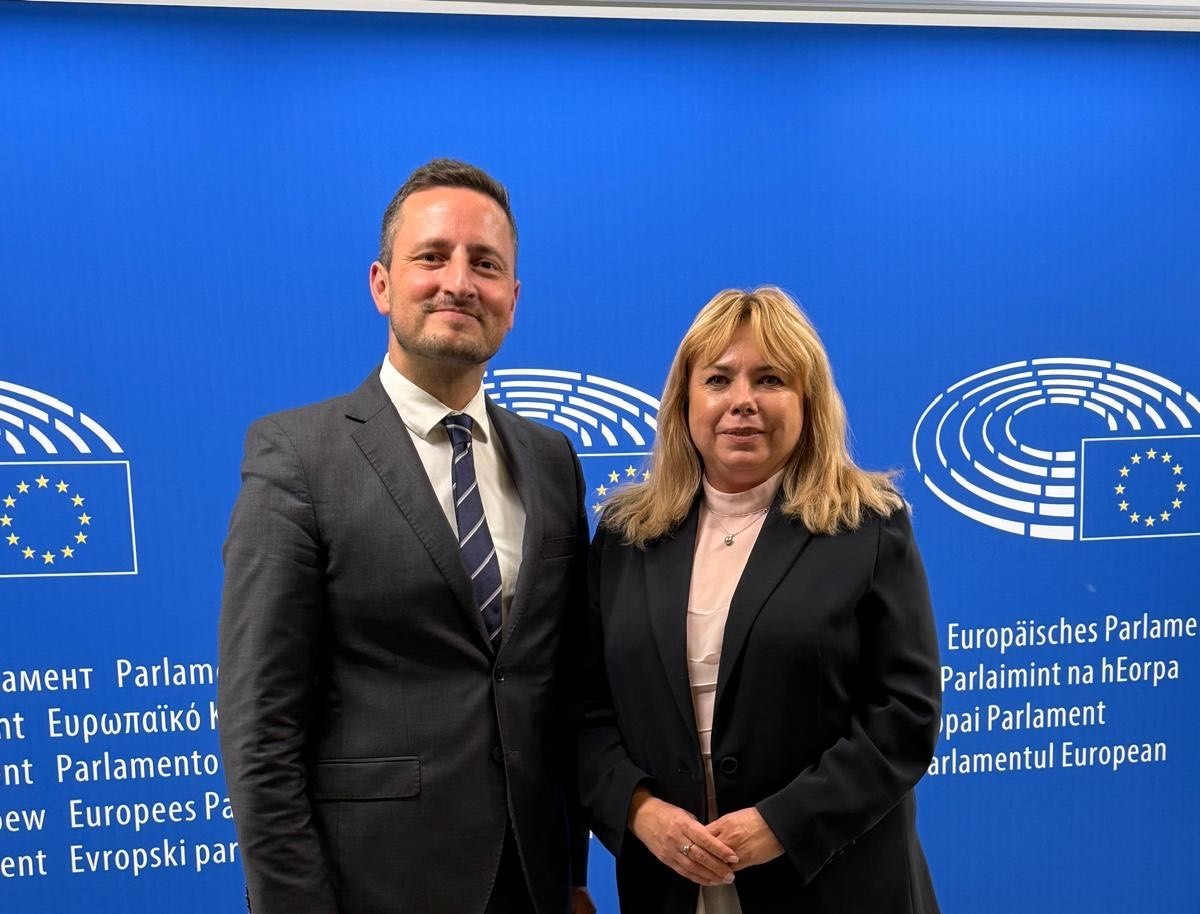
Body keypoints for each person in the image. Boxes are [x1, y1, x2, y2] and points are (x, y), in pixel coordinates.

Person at [218, 159, 593, 914]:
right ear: (382, 284)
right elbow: (260, 729)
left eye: (485, 264)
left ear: (513, 300)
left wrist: (574, 878)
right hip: (375, 887)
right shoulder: (297, 456)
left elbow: (562, 692)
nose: (460, 282)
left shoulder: (552, 461)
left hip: (534, 881)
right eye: (432, 256)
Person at [576, 287, 941, 914]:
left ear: (807, 400)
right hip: (670, 885)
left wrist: (783, 823)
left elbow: (903, 715)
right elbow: (584, 710)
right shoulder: (625, 536)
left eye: (770, 379)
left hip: (830, 883)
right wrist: (639, 811)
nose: (742, 400)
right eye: (718, 379)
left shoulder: (869, 526)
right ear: (685, 401)